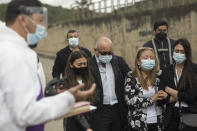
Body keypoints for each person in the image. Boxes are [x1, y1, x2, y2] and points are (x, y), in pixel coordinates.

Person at [0, 1, 96, 131]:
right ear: (23, 20)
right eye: (40, 20)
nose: (43, 26)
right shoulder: (16, 54)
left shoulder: (8, 49)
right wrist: (67, 99)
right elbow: (25, 114)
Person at [45, 50, 94, 131]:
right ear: (71, 65)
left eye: (84, 64)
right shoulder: (65, 83)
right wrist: (86, 127)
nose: (82, 66)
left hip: (92, 122)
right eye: (79, 64)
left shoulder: (91, 80)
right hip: (72, 125)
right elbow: (72, 107)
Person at [89, 37, 131, 131]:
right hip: (100, 111)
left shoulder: (118, 61)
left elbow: (130, 77)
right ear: (95, 50)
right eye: (103, 53)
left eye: (109, 52)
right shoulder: (89, 65)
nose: (107, 55)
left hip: (118, 109)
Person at [124, 47, 167, 131]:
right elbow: (130, 100)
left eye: (152, 57)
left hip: (158, 122)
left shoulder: (159, 76)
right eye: (146, 57)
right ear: (138, 62)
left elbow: (164, 96)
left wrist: (165, 96)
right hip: (139, 123)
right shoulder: (131, 77)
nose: (149, 60)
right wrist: (152, 99)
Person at [159, 38, 197, 131]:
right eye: (177, 51)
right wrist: (178, 95)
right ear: (172, 51)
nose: (179, 54)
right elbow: (160, 99)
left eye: (182, 51)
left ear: (187, 53)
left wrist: (170, 91)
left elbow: (192, 96)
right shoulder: (166, 71)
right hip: (171, 116)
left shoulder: (194, 69)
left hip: (190, 114)